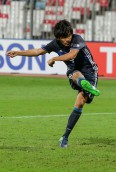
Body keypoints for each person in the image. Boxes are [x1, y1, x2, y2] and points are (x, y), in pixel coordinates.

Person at [6, 19, 100, 148]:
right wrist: (18, 53)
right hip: (75, 71)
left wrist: (54, 58)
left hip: (90, 71)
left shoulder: (77, 39)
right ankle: (65, 138)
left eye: (69, 36)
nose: (67, 39)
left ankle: (85, 86)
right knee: (74, 77)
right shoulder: (55, 44)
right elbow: (37, 51)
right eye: (64, 37)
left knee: (82, 100)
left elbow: (72, 55)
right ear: (58, 37)